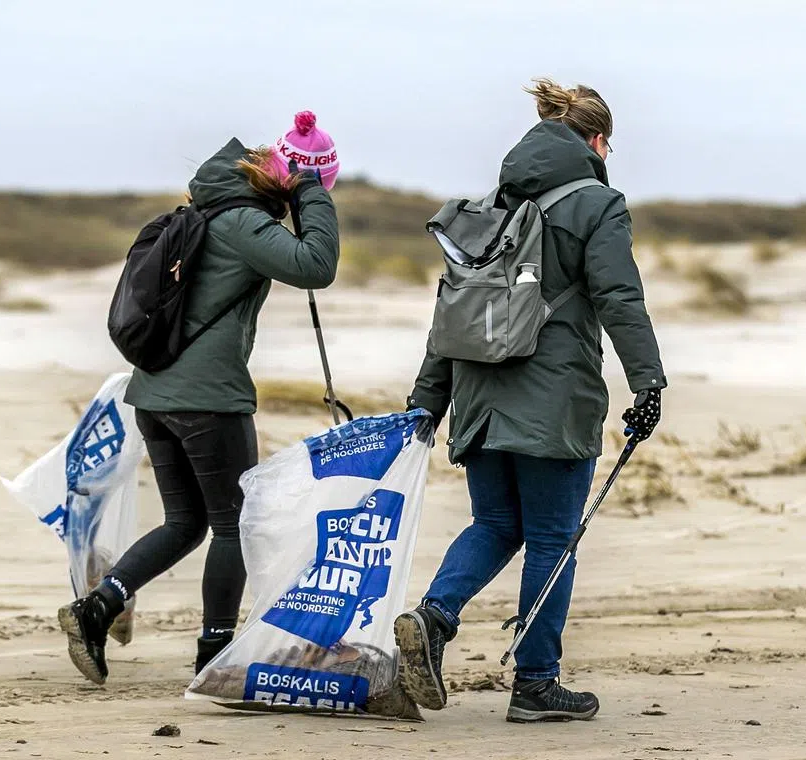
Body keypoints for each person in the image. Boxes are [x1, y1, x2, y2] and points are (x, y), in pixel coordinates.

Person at [396, 78, 666, 723]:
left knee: (495, 524)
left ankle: (432, 623)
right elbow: (618, 298)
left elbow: (451, 312)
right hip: (555, 396)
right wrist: (648, 382)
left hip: (478, 396)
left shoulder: (488, 205)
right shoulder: (598, 205)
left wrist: (427, 402)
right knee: (552, 537)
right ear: (596, 141)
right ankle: (536, 685)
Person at [58, 112, 341, 685]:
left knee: (185, 522)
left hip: (155, 391)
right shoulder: (241, 223)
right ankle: (215, 653)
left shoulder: (203, 211)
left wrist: (299, 188)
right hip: (208, 398)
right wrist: (312, 193)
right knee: (235, 525)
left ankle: (97, 608)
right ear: (289, 181)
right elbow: (317, 266)